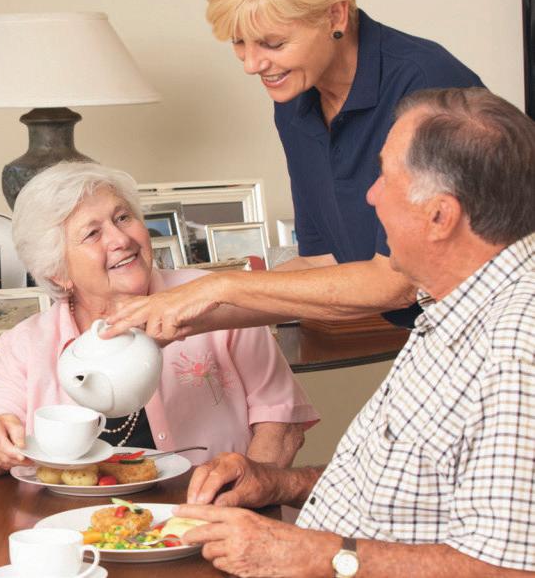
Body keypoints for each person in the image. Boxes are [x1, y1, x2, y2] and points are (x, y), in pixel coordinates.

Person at [177, 87, 535, 577]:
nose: (371, 195)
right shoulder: (455, 307)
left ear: (439, 216)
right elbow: (414, 495)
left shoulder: (515, 348)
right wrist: (281, 483)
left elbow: (512, 569)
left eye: (385, 176)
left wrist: (310, 554)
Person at [104, 0, 484, 341]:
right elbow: (324, 262)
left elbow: (396, 282)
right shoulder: (296, 101)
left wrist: (219, 286)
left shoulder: (427, 85)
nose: (251, 64)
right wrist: (173, 317)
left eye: (273, 43)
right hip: (435, 336)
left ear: (335, 16)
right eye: (239, 42)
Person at [0, 162, 318, 478]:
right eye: (92, 233)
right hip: (70, 521)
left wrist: (245, 494)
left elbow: (281, 422)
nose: (121, 239)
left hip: (209, 513)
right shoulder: (26, 343)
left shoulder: (214, 299)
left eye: (122, 218)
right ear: (58, 273)